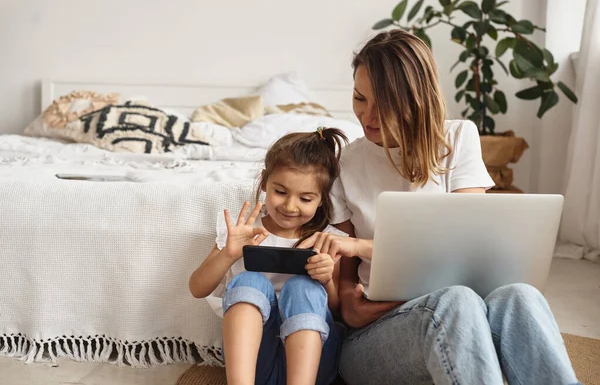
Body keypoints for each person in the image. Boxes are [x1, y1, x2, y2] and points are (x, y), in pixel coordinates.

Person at [297, 30, 580, 385]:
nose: (368, 116)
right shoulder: (347, 162)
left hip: (460, 315)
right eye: (359, 98)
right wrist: (354, 306)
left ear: (416, 100)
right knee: (454, 301)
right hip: (375, 338)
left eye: (385, 105)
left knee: (519, 296)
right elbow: (347, 296)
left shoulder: (458, 139)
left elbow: (470, 248)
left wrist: (361, 246)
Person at [189, 127, 349, 385]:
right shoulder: (240, 233)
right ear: (264, 182)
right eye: (281, 192)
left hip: (310, 366)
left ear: (321, 199)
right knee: (250, 281)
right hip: (253, 365)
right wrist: (229, 254)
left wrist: (327, 279)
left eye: (305, 198)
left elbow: (337, 311)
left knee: (302, 287)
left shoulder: (327, 240)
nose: (289, 206)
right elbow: (197, 288)